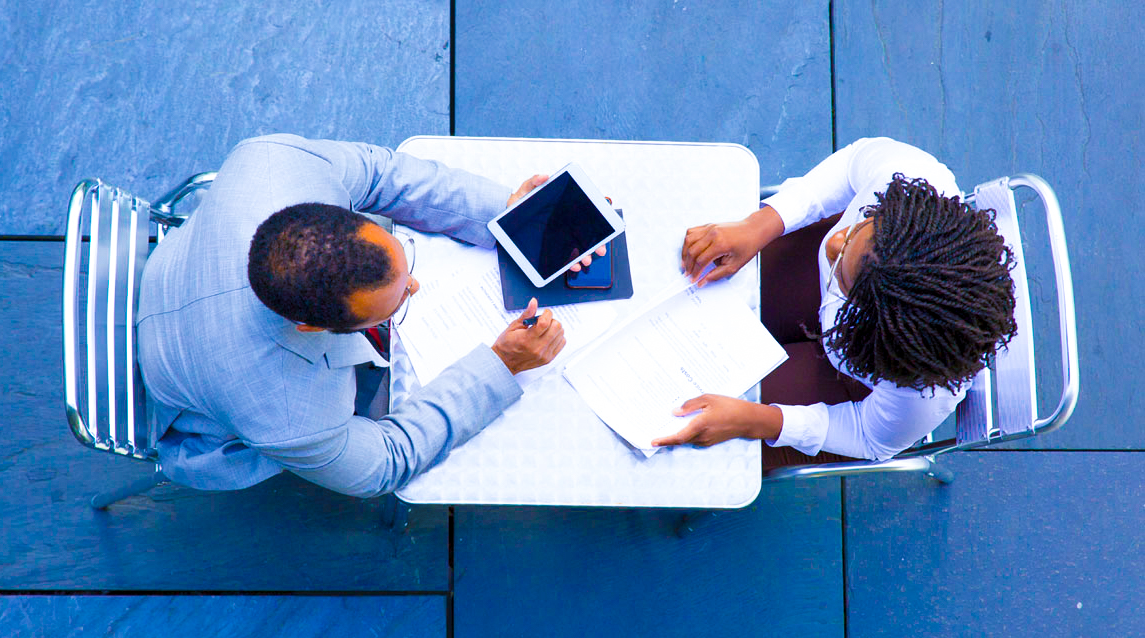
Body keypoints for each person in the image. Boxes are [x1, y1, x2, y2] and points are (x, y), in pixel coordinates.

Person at [137, 134, 599, 497]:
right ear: (313, 327)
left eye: (404, 269)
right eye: (398, 299)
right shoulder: (290, 415)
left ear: (336, 210)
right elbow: (386, 463)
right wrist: (501, 366)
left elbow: (383, 176)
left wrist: (511, 219)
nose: (415, 286)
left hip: (175, 272)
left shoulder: (278, 163)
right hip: (196, 397)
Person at [653, 137, 1018, 468]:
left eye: (843, 270)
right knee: (679, 280)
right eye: (862, 225)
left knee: (681, 418)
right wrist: (761, 224)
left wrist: (753, 420)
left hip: (844, 381)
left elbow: (868, 435)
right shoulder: (909, 176)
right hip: (825, 298)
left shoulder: (919, 394)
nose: (833, 241)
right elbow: (850, 166)